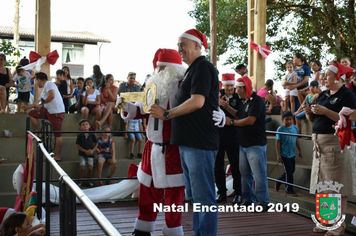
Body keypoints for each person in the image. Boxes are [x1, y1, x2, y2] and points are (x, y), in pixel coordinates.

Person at [150, 29, 220, 236]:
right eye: (178, 44)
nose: (179, 48)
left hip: (198, 143)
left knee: (203, 197)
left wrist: (167, 114)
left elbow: (198, 102)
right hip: (189, 143)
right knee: (196, 196)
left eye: (183, 44)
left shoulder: (203, 67)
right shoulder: (193, 70)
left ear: (198, 46)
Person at [121, 48, 186, 236]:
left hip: (173, 148)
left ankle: (173, 229)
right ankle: (143, 228)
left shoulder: (183, 86)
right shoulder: (152, 86)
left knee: (174, 194)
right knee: (147, 190)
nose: (160, 71)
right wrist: (124, 105)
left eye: (165, 68)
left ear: (175, 69)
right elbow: (139, 110)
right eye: (159, 68)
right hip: (152, 147)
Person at [305, 62, 356, 235]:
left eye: (326, 75)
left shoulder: (346, 95)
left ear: (338, 77)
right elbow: (316, 121)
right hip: (319, 144)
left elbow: (350, 119)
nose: (323, 78)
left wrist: (326, 111)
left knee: (337, 185)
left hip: (335, 144)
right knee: (323, 185)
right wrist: (309, 113)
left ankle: (338, 225)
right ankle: (326, 220)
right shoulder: (324, 94)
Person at [224, 76, 269, 211]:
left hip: (255, 144)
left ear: (243, 88)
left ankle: (263, 202)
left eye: (237, 88)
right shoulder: (244, 101)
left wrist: (231, 122)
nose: (236, 91)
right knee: (245, 173)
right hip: (243, 144)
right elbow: (240, 115)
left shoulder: (257, 101)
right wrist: (227, 107)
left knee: (259, 174)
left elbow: (250, 120)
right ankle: (248, 199)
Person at [214, 73, 242, 205]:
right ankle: (221, 192)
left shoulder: (239, 97)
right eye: (227, 86)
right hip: (218, 135)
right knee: (217, 165)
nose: (230, 88)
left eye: (232, 85)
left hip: (233, 135)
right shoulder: (216, 95)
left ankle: (238, 193)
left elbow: (239, 116)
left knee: (235, 165)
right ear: (223, 85)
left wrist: (226, 107)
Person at [23, 72, 65, 162]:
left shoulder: (49, 84)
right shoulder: (44, 90)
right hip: (48, 111)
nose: (36, 83)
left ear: (38, 80)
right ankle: (38, 132)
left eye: (35, 81)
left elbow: (52, 95)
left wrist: (42, 103)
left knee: (58, 135)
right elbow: (37, 103)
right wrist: (27, 107)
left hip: (56, 112)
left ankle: (57, 156)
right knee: (31, 113)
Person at [275, 110, 302, 197]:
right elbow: (278, 142)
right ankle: (289, 189)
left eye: (290, 119)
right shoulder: (280, 129)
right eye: (287, 119)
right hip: (284, 154)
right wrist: (278, 155)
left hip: (292, 153)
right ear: (282, 120)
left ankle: (279, 181)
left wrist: (300, 150)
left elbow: (297, 139)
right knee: (289, 172)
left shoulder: (294, 128)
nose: (289, 121)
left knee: (292, 170)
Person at [76, 119, 98, 188]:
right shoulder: (80, 135)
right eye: (83, 125)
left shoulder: (92, 134)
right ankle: (79, 182)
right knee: (82, 167)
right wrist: (85, 151)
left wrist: (92, 150)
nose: (85, 126)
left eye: (86, 124)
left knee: (90, 168)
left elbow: (96, 143)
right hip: (82, 154)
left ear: (89, 126)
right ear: (80, 127)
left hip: (90, 154)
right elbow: (78, 146)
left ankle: (89, 182)